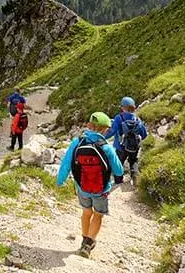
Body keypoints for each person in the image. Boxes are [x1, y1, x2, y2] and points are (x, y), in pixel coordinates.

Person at [56, 111, 124, 259]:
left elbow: (66, 163)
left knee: (86, 213)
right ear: (105, 130)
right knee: (98, 215)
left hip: (82, 187)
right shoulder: (106, 147)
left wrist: (60, 181)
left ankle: (84, 239)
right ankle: (88, 244)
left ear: (88, 126)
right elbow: (119, 170)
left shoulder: (77, 142)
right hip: (101, 189)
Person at [106, 96, 148, 186]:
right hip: (134, 146)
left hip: (121, 146)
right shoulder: (137, 119)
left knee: (118, 163)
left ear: (122, 107)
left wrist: (102, 137)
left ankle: (118, 181)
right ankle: (135, 179)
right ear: (134, 107)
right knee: (133, 161)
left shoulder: (119, 118)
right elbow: (144, 134)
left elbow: (112, 131)